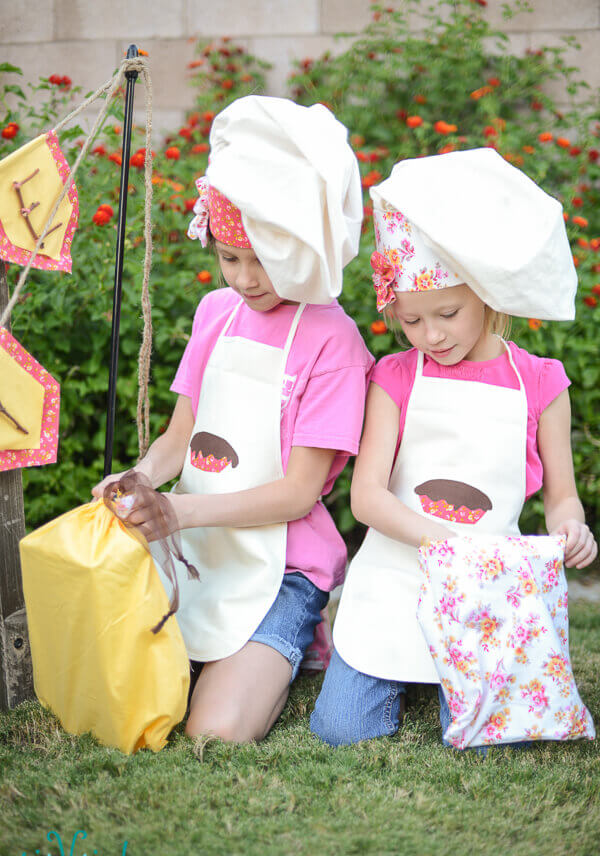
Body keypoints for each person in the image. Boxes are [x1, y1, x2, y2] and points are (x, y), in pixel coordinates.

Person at [92, 96, 373, 743]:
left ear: (301, 247)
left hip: (281, 565)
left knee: (212, 731)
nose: (245, 278)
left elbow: (299, 491)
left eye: (262, 260)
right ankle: (242, 656)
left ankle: (297, 635)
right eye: (229, 257)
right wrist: (138, 477)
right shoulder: (216, 313)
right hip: (200, 550)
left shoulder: (332, 338)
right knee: (128, 691)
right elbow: (179, 436)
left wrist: (177, 512)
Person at [310, 147, 598, 747]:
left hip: (489, 590)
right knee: (344, 730)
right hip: (399, 572)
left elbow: (562, 499)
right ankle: (393, 662)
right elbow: (366, 499)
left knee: (503, 735)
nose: (431, 336)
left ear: (488, 296)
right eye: (411, 322)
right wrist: (452, 547)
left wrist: (572, 528)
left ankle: (450, 680)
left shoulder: (541, 382)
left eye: (447, 313)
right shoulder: (395, 377)